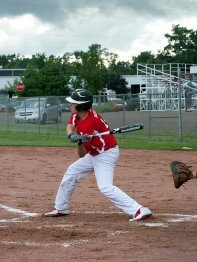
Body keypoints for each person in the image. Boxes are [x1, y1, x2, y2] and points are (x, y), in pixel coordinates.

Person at [43, 89, 152, 221]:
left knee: (105, 187)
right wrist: (71, 135)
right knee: (72, 172)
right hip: (95, 152)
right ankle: (61, 207)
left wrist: (79, 143)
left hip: (106, 154)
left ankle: (138, 209)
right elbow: (70, 125)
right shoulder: (78, 114)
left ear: (81, 106)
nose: (70, 105)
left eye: (73, 103)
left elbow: (82, 155)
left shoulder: (90, 123)